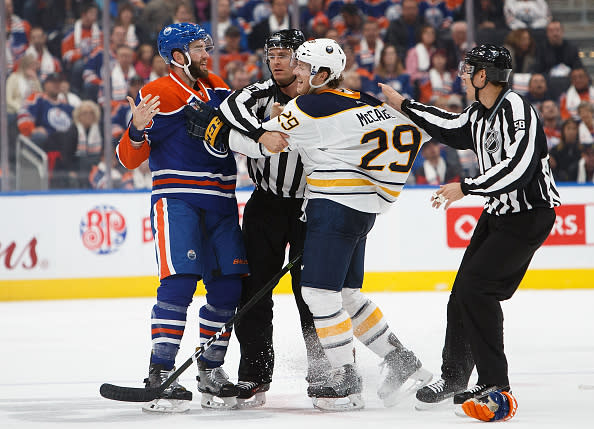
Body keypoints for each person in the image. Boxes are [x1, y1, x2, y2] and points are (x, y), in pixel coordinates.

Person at [190, 37, 434, 411]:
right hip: (350, 209)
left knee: (318, 296)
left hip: (325, 209)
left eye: (301, 65)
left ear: (321, 72)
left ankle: (339, 376)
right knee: (344, 293)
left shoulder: (308, 105)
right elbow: (416, 130)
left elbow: (267, 143)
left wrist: (216, 130)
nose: (293, 70)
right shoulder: (365, 101)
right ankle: (400, 361)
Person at [380, 43, 560, 422]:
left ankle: (496, 385)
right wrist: (403, 105)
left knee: (478, 290)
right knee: (462, 292)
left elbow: (520, 167)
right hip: (499, 214)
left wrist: (468, 186)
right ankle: (455, 378)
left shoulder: (516, 108)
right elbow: (446, 126)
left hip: (529, 216)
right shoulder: (478, 113)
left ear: (484, 76)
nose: (462, 74)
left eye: (469, 69)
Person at [115, 22, 249, 413]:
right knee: (179, 283)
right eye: (199, 47)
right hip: (179, 200)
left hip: (223, 201)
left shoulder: (218, 84)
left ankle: (211, 370)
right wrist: (136, 129)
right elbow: (127, 160)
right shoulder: (158, 92)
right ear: (177, 55)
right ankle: (160, 371)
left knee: (227, 289)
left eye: (207, 46)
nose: (207, 53)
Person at [215, 29, 330, 408]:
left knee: (313, 295)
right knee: (254, 293)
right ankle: (253, 376)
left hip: (312, 207)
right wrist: (264, 131)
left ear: (302, 57)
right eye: (272, 54)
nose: (276, 61)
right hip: (265, 205)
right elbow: (229, 108)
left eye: (285, 54)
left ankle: (324, 374)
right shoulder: (261, 93)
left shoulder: (323, 96)